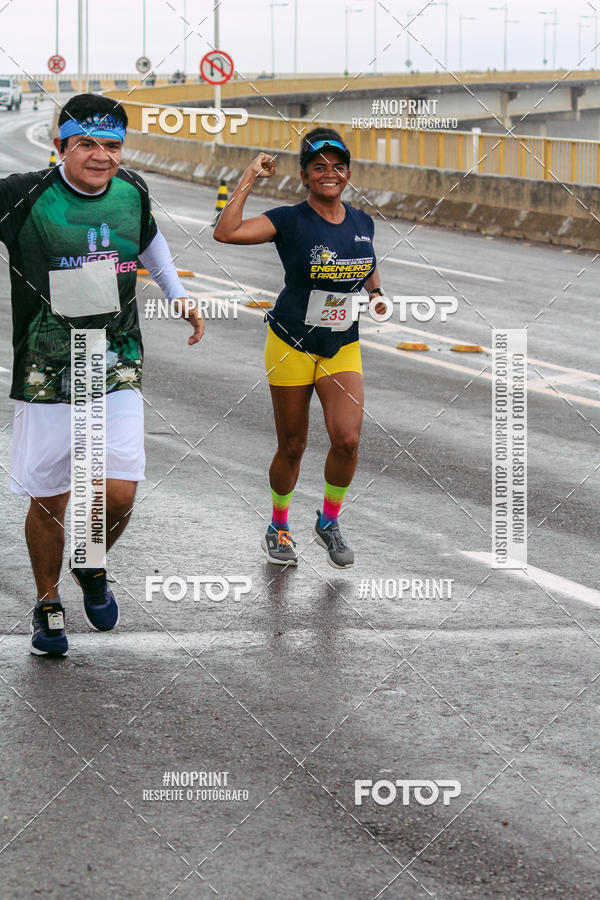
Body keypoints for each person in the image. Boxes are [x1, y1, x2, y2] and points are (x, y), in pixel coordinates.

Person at [0, 93, 204, 656]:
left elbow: (150, 243)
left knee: (118, 492)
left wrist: (179, 295)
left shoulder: (131, 190)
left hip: (114, 358)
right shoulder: (22, 195)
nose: (100, 157)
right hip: (45, 365)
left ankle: (90, 562)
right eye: (86, 144)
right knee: (50, 498)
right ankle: (47, 604)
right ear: (60, 145)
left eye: (112, 145)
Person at [214, 127, 385, 569]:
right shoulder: (289, 220)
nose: (330, 173)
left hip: (341, 343)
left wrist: (377, 291)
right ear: (305, 176)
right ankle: (278, 526)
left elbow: (365, 261)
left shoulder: (362, 221)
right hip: (291, 342)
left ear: (348, 173)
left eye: (338, 166)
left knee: (347, 439)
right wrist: (250, 175)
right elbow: (225, 232)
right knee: (293, 444)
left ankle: (328, 521)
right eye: (319, 167)